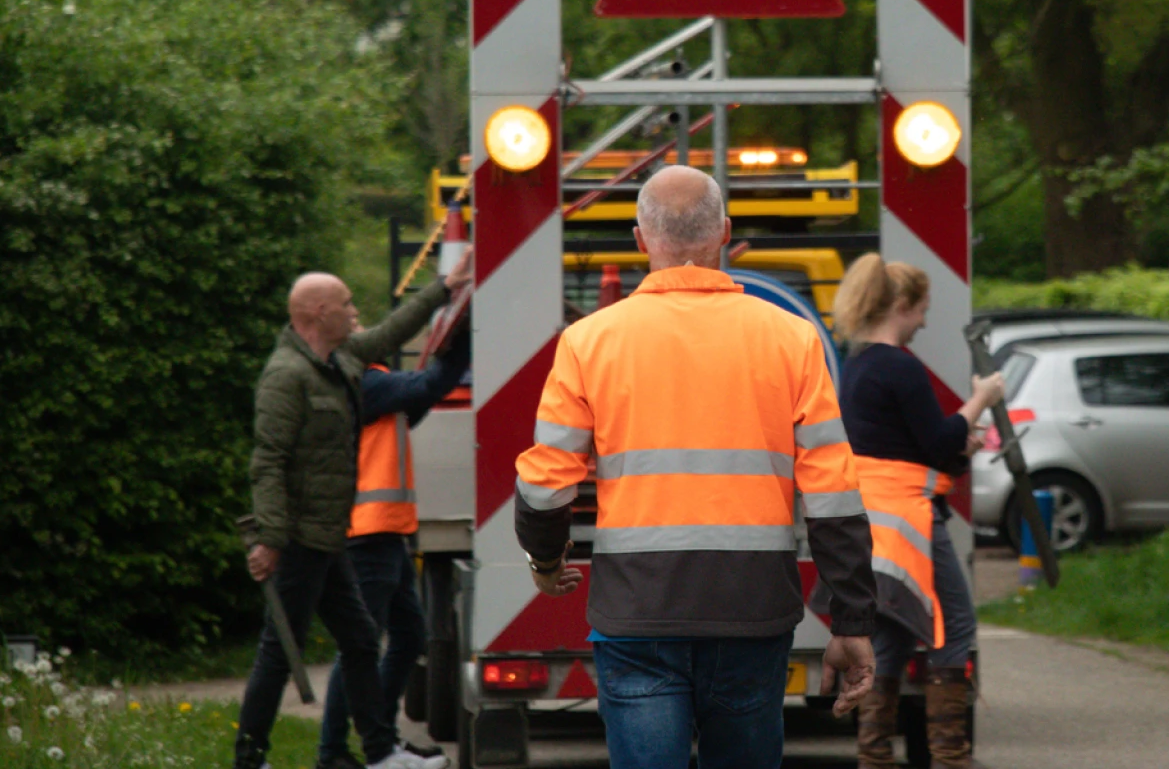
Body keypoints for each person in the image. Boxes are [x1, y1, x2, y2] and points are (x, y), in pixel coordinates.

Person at [514, 165, 878, 769]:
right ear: (726, 235)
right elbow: (833, 494)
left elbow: (545, 484)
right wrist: (853, 618)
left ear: (639, 239)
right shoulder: (792, 339)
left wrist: (547, 560)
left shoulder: (589, 342)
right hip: (752, 610)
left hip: (637, 615)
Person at [234, 253, 471, 769]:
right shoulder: (286, 376)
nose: (353, 310)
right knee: (278, 653)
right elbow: (267, 462)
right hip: (299, 541)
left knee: (363, 641)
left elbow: (387, 335)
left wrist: (444, 289)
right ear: (318, 312)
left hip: (334, 538)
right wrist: (271, 540)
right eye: (345, 304)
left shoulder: (339, 361)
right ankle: (249, 759)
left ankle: (381, 754)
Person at [830, 253, 1003, 769]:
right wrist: (981, 399)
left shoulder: (857, 364)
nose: (925, 321)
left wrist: (956, 449)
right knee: (955, 629)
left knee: (892, 632)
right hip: (913, 522)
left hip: (874, 525)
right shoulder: (899, 365)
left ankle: (874, 757)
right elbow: (937, 438)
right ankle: (951, 757)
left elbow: (911, 445)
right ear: (900, 305)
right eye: (922, 310)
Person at [313, 317, 471, 769]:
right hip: (368, 534)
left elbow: (425, 394)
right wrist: (467, 334)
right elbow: (429, 383)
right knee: (361, 646)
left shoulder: (373, 384)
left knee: (408, 636)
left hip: (386, 532)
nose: (365, 325)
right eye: (356, 321)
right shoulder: (361, 382)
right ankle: (338, 753)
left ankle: (377, 741)